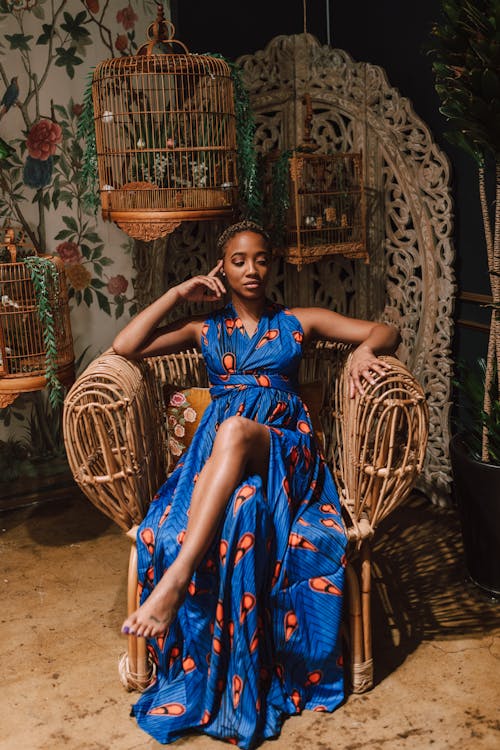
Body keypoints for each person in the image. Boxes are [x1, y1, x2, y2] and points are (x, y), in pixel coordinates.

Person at [112, 220, 400, 748]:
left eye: (261, 259)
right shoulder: (204, 328)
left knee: (236, 428)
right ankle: (228, 659)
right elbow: (126, 345)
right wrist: (179, 292)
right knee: (241, 506)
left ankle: (173, 583)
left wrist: (365, 352)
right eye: (239, 260)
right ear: (222, 266)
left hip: (285, 453)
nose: (251, 269)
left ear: (273, 264)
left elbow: (384, 329)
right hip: (218, 462)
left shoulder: (298, 321)